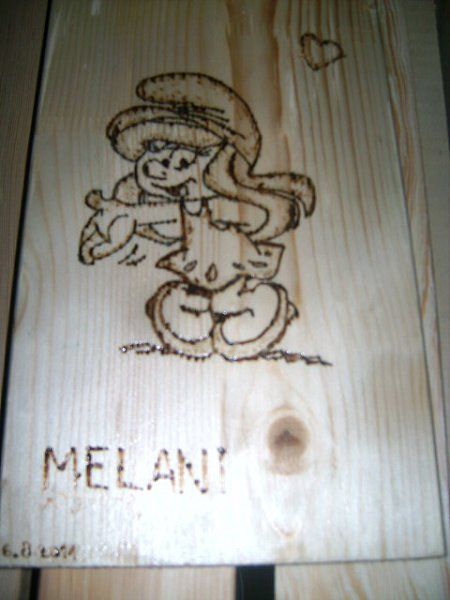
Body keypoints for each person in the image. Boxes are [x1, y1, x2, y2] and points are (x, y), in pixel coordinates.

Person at [78, 73, 316, 360]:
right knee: (182, 306)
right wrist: (123, 221)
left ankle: (260, 320)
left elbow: (177, 217)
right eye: (154, 150)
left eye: (185, 158)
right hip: (195, 278)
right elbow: (172, 218)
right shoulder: (180, 208)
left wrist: (133, 214)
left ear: (220, 162)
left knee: (246, 303)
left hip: (237, 274)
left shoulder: (230, 206)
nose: (163, 166)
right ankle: (195, 329)